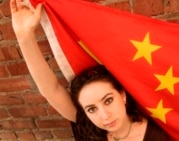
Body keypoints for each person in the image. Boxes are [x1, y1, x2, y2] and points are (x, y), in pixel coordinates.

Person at [10, 0, 169, 140]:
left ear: (122, 95)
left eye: (108, 100)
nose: (104, 116)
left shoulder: (156, 136)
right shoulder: (89, 129)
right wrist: (24, 36)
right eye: (91, 109)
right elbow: (51, 90)